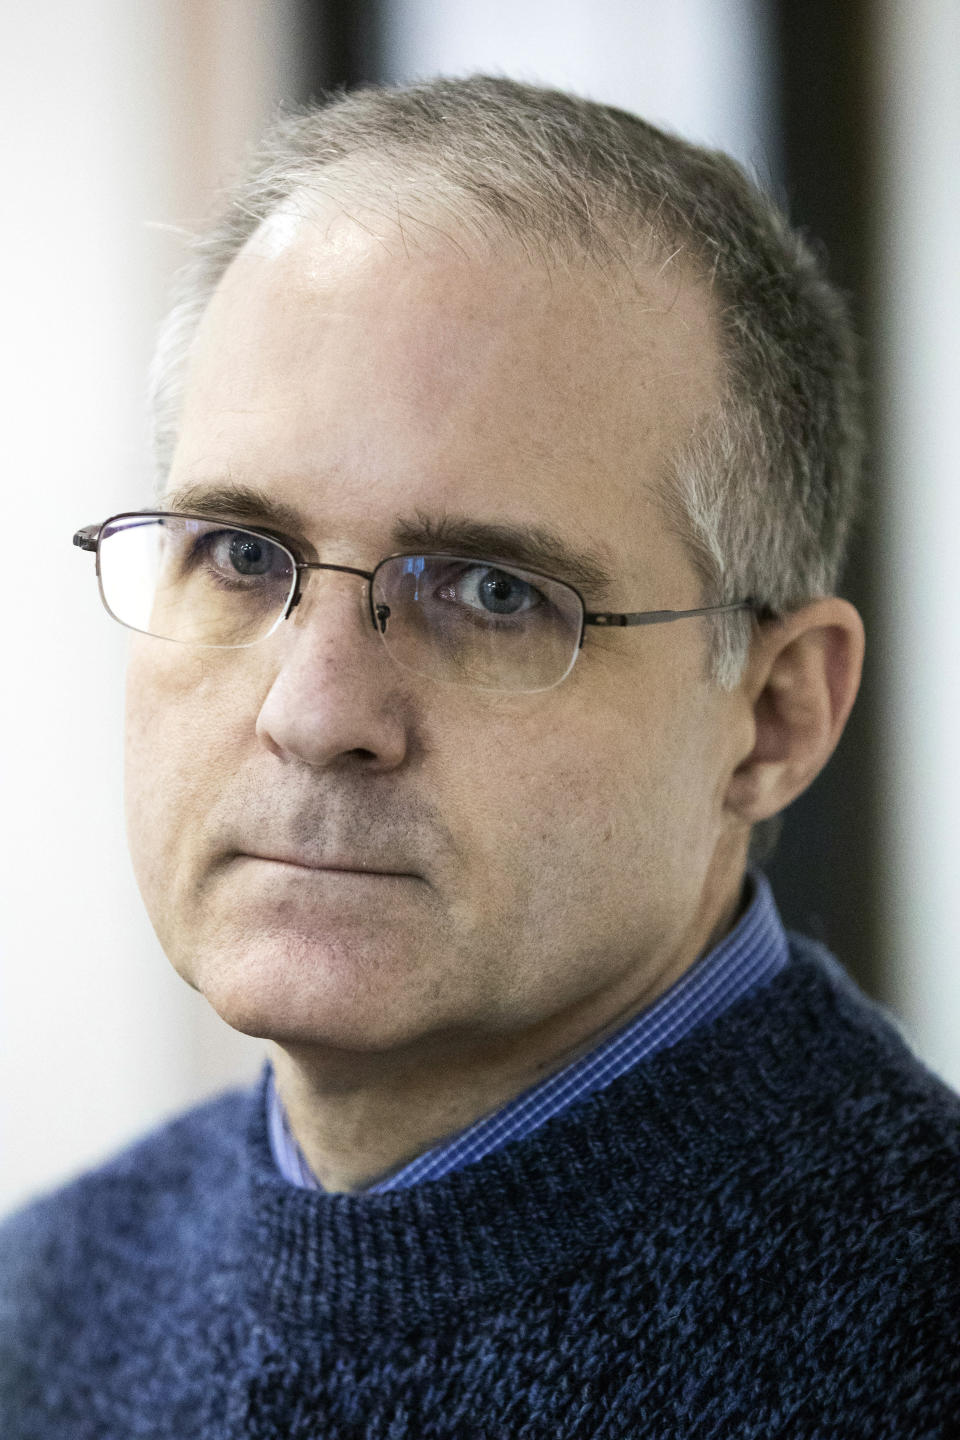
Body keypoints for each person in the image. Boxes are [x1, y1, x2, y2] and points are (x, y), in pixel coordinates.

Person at [1, 75, 957, 1438]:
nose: (315, 711)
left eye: (493, 591)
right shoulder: (50, 1302)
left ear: (775, 716)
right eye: (244, 554)